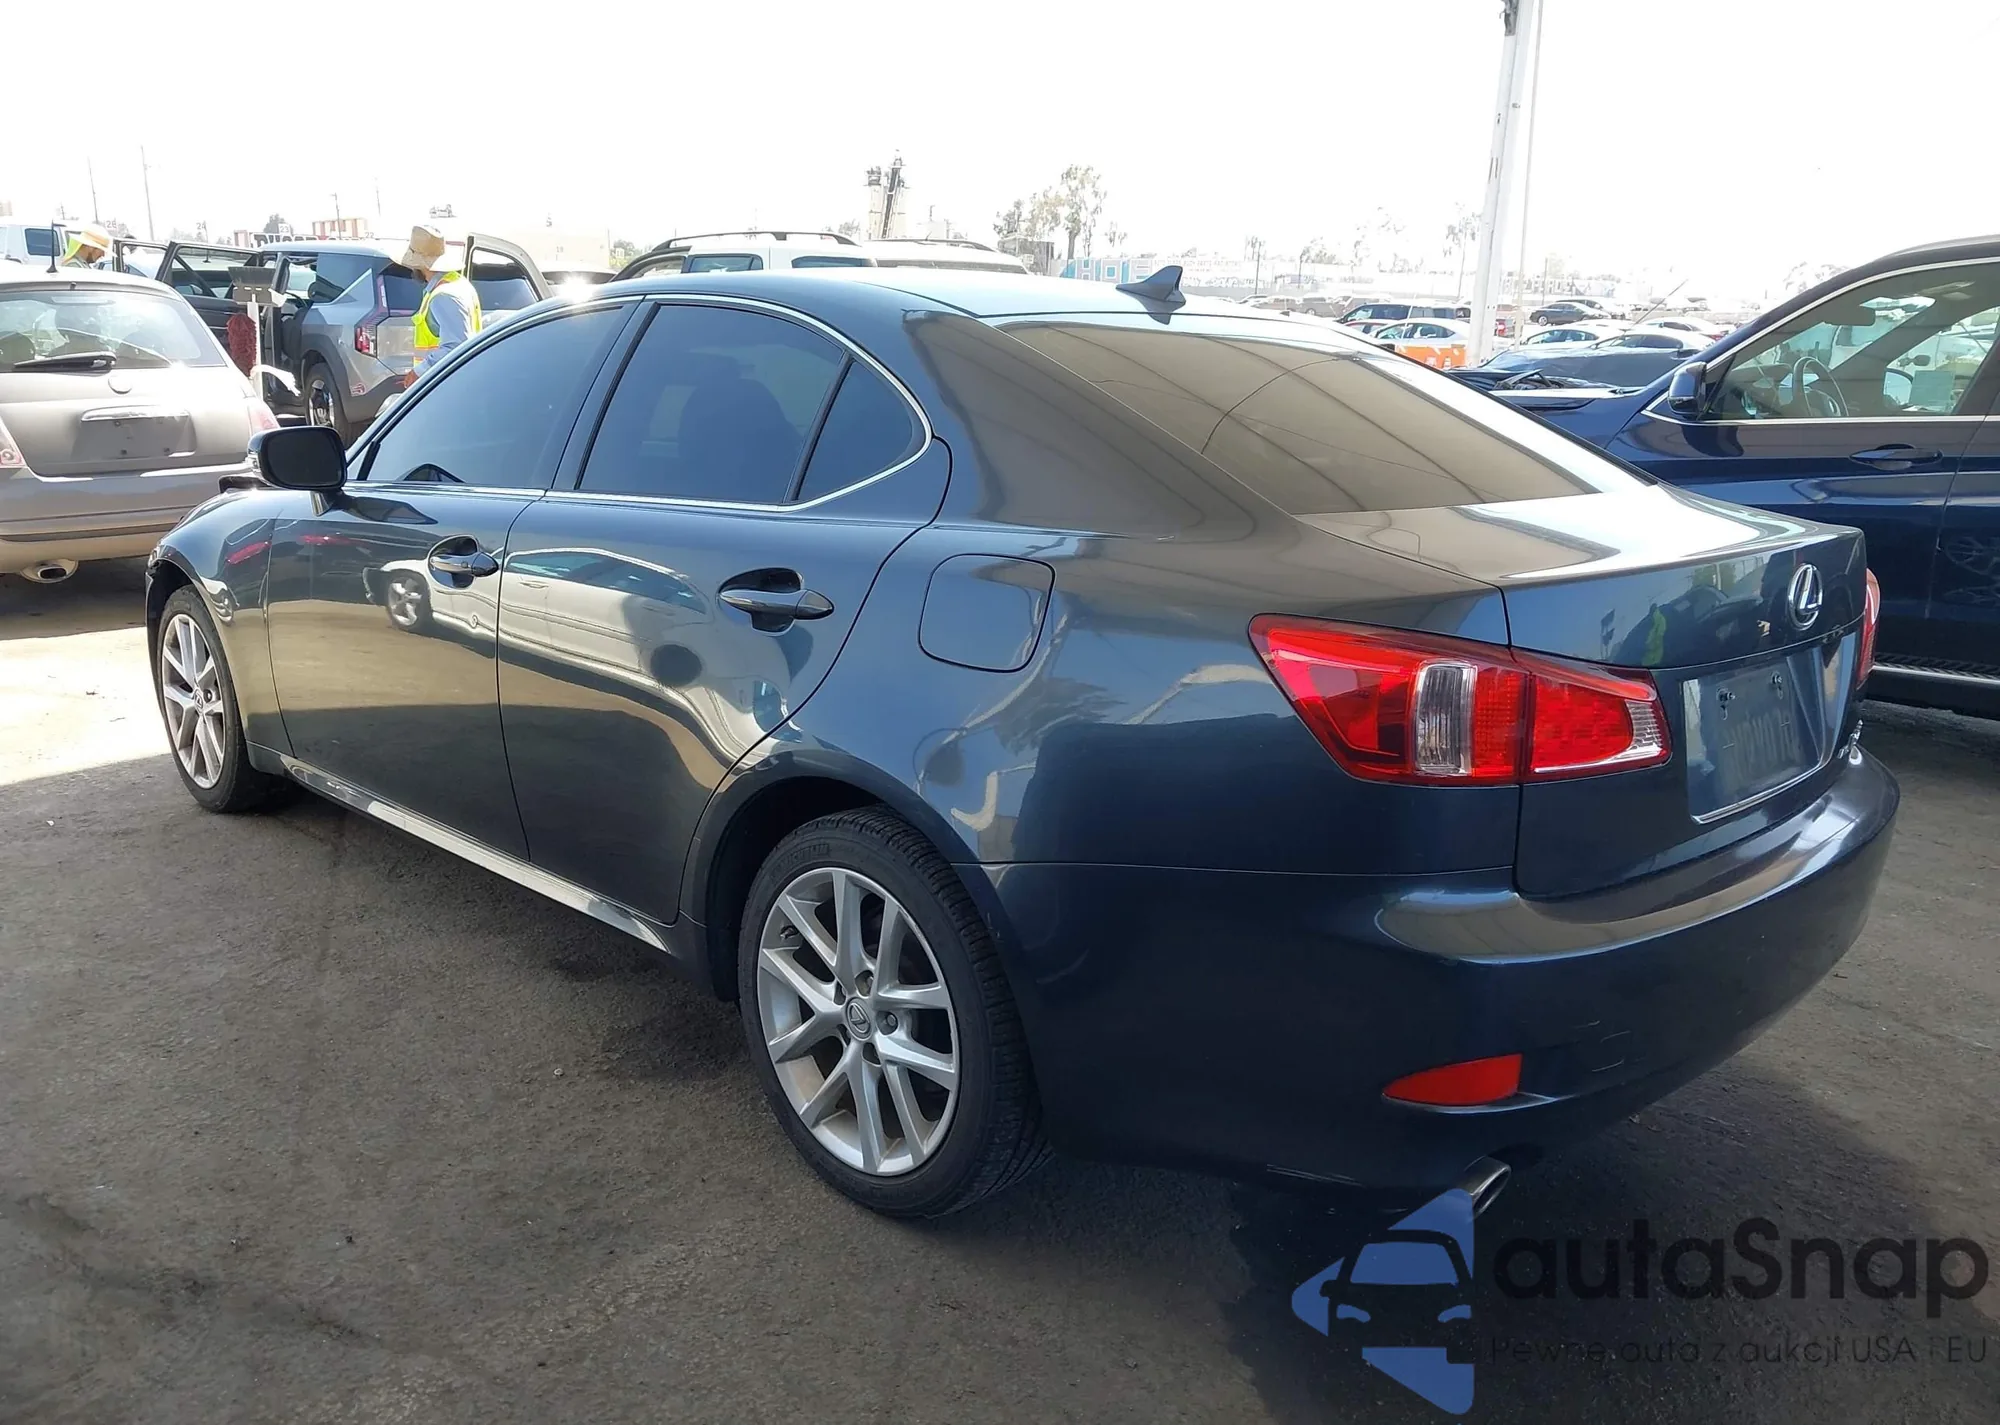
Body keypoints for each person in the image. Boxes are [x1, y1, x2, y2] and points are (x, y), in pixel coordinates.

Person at [402, 224, 481, 386]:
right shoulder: (457, 283)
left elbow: (456, 347)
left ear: (421, 264)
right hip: (455, 379)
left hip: (447, 382)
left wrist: (419, 372)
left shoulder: (443, 295)